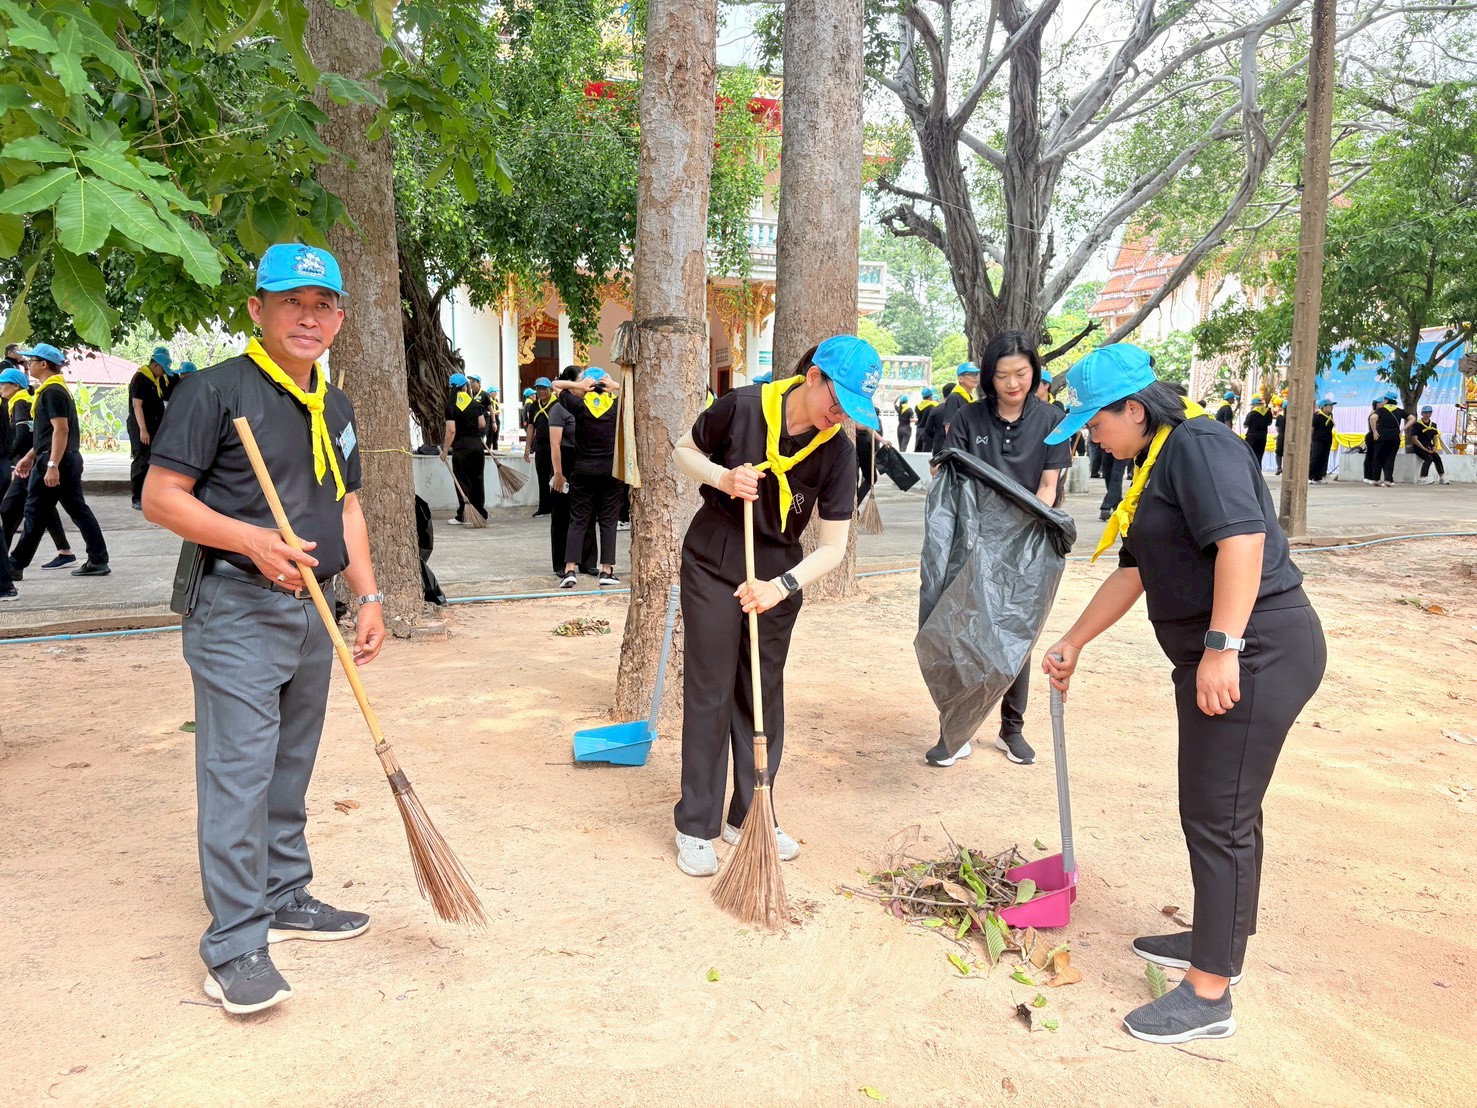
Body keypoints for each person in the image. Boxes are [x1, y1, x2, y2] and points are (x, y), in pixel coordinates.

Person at [1040, 342, 1325, 1045]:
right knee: (1226, 807)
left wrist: (1222, 648)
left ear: (1133, 409)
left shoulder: (1198, 445)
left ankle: (1207, 995)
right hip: (1225, 648)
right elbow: (1134, 570)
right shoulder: (1153, 463)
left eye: (1094, 422)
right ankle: (1218, 940)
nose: (1088, 435)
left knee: (1214, 813)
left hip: (1254, 647)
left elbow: (1242, 543)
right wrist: (1073, 640)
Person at [141, 242, 384, 1017]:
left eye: (322, 306)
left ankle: (284, 895)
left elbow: (346, 507)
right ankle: (235, 943)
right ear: (257, 309)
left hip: (314, 608)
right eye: (290, 303)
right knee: (238, 774)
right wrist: (251, 540)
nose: (307, 318)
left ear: (339, 317)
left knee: (289, 765)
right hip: (236, 607)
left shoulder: (335, 405)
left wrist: (369, 596)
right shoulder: (214, 392)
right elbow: (160, 496)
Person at [669, 334, 877, 876]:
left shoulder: (838, 453)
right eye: (838, 402)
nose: (840, 418)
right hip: (714, 563)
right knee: (710, 690)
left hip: (778, 577)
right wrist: (722, 477)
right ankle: (696, 824)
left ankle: (750, 814)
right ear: (813, 378)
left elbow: (832, 548)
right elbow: (682, 451)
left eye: (851, 411)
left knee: (762, 696)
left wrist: (778, 586)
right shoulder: (740, 408)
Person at [930, 330, 1068, 768]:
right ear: (989, 377)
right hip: (972, 541)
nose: (1013, 384)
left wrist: (1020, 530)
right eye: (1003, 375)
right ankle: (955, 728)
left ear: (1034, 373)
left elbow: (1048, 487)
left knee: (1015, 636)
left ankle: (1012, 729)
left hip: (1028, 543)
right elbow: (952, 477)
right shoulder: (970, 418)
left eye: (1021, 374)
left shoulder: (1051, 420)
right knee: (961, 631)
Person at [8, 343, 110, 577]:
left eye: (31, 361)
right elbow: (46, 434)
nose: (28, 365)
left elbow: (61, 430)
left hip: (57, 460)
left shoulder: (53, 392)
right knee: (77, 509)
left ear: (43, 364)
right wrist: (29, 456)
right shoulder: (53, 390)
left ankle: (15, 565)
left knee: (35, 511)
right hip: (62, 457)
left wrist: (52, 465)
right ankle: (98, 559)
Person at [553, 367, 623, 588]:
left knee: (578, 520)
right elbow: (638, 392)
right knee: (608, 521)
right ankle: (606, 571)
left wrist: (578, 386)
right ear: (606, 385)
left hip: (583, 470)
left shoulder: (579, 406)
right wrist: (617, 386)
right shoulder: (616, 406)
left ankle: (570, 570)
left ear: (588, 386)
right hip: (610, 472)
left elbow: (556, 385)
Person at [0, 367, 73, 571]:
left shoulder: (22, 402)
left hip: (27, 464)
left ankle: (9, 563)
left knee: (12, 511)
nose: (0, 387)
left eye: (3, 383)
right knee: (43, 508)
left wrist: (15, 456)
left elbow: (25, 435)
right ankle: (65, 551)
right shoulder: (20, 400)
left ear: (15, 386)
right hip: (31, 461)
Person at [547, 366, 597, 577]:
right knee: (562, 515)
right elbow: (555, 444)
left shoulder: (587, 404)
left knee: (587, 512)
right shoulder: (560, 409)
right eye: (581, 381)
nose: (585, 386)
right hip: (564, 462)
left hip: (584, 461)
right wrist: (558, 473)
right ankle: (561, 563)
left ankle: (587, 561)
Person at [128, 346, 171, 510]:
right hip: (141, 427)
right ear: (155, 365)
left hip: (154, 426)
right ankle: (137, 497)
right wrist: (143, 430)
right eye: (162, 369)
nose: (163, 373)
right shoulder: (141, 378)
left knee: (152, 461)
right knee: (141, 461)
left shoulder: (155, 380)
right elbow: (137, 405)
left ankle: (149, 495)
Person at [442, 372, 487, 524]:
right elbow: (482, 424)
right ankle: (480, 513)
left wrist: (444, 450)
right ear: (465, 387)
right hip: (477, 446)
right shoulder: (475, 404)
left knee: (462, 481)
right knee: (477, 480)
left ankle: (464, 515)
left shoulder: (451, 406)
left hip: (461, 447)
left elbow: (451, 431)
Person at [524, 376, 557, 517]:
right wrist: (527, 447)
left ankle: (557, 506)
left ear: (550, 389)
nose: (541, 391)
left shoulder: (558, 404)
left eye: (544, 388)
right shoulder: (534, 406)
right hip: (541, 446)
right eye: (538, 389)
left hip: (556, 445)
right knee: (542, 477)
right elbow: (531, 427)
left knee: (556, 475)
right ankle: (544, 507)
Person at [1370, 390, 1405, 486]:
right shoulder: (1399, 411)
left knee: (1378, 457)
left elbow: (1373, 418)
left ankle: (1376, 479)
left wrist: (1374, 431)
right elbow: (1412, 418)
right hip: (1394, 437)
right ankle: (1388, 480)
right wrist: (1402, 429)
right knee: (1390, 458)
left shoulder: (1381, 410)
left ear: (1386, 400)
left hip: (1382, 436)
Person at [1408, 404, 1448, 485]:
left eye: (1429, 412)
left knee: (1437, 457)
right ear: (1422, 413)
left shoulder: (1433, 425)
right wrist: (1424, 448)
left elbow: (1435, 437)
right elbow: (1414, 439)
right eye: (1425, 412)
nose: (1427, 414)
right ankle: (1422, 478)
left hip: (1429, 445)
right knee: (1428, 458)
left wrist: (1435, 446)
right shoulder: (1417, 425)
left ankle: (1442, 477)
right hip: (1418, 446)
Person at [938, 361, 979, 438]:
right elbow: (948, 426)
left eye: (976, 374)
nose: (975, 377)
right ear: (960, 379)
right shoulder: (954, 397)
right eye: (971, 374)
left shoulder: (970, 398)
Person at [1308, 396, 1336, 484]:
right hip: (1317, 440)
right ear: (1323, 406)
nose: (1332, 407)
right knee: (1315, 457)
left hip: (1327, 440)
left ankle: (1319, 477)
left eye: (1332, 405)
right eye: (1329, 405)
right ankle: (1310, 476)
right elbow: (1311, 428)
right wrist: (1309, 440)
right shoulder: (1317, 416)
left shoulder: (1330, 415)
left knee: (1324, 458)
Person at [1242, 397, 1270, 469]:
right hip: (1263, 437)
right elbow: (1269, 423)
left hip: (1252, 437)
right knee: (1259, 456)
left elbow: (1245, 425)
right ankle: (1259, 472)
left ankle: (1251, 471)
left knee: (1250, 455)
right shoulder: (1268, 413)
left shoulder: (1251, 414)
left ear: (1254, 405)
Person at [914, 387, 941, 452]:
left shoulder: (917, 406)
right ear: (930, 396)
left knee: (918, 450)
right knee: (926, 451)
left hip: (918, 430)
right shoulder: (933, 406)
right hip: (928, 431)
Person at [1272, 402, 1286, 475]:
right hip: (1290, 436)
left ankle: (1279, 467)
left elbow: (1277, 428)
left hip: (1281, 435)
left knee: (1278, 453)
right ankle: (1287, 468)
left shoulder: (1279, 417)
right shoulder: (1291, 417)